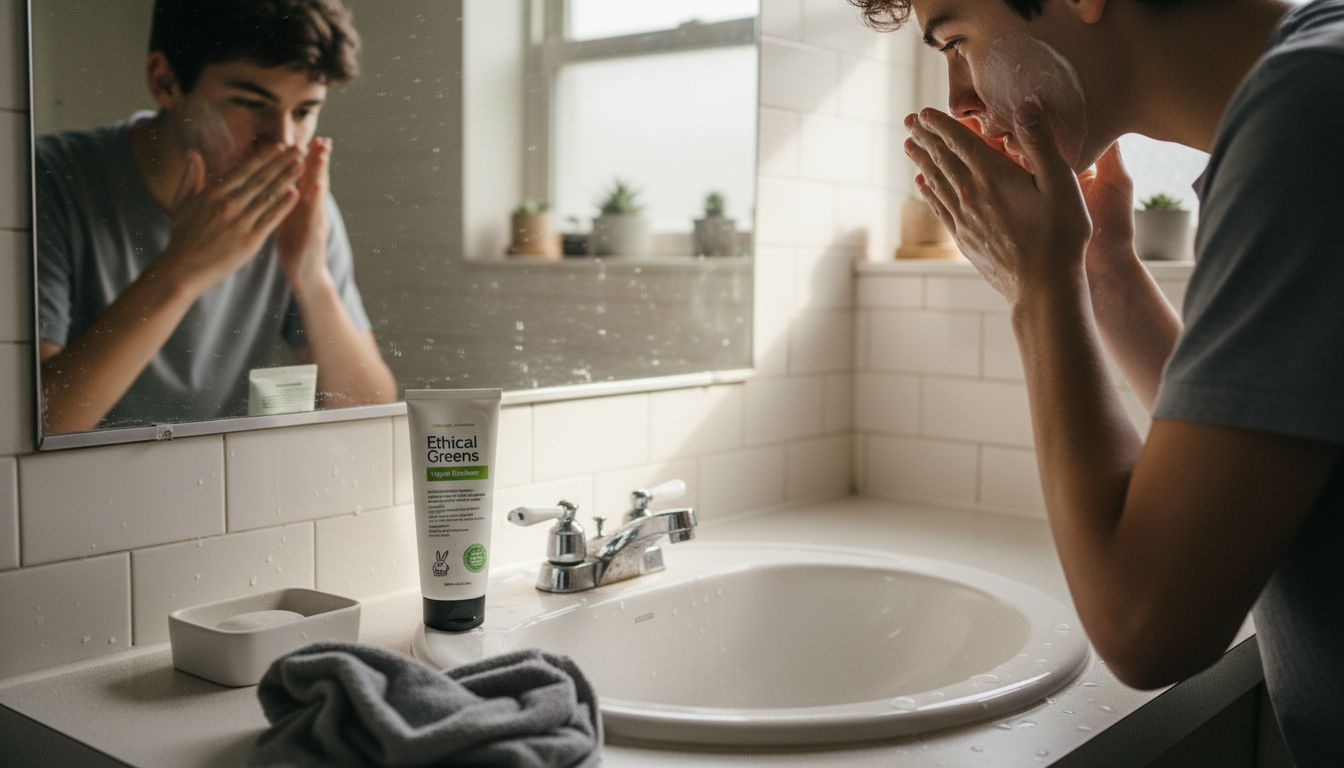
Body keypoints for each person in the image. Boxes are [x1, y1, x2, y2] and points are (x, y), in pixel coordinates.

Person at [849, 0, 1342, 763]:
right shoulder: (1312, 87)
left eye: (955, 42)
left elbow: (1147, 628)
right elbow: (1254, 446)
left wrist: (1039, 287)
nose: (959, 100)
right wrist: (1100, 272)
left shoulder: (1311, 112)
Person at [36, 0, 395, 433]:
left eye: (303, 112)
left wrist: (312, 277)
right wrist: (182, 269)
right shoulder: (47, 179)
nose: (282, 141)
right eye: (249, 103)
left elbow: (371, 413)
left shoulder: (297, 203)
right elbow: (35, 425)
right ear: (165, 81)